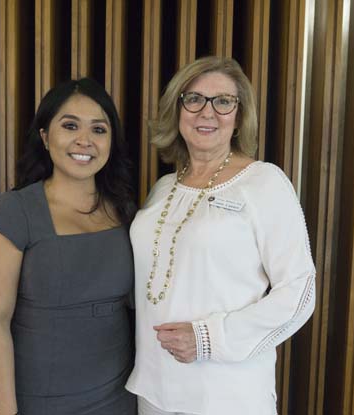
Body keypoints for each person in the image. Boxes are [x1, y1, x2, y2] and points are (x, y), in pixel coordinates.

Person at [126, 56, 316, 415]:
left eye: (223, 101)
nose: (206, 112)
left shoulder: (264, 182)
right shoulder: (163, 188)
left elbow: (301, 291)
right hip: (154, 391)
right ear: (177, 109)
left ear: (239, 115)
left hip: (226, 395)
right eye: (194, 98)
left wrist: (208, 338)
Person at [0, 78, 137, 415]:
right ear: (45, 137)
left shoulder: (125, 211)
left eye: (99, 129)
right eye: (70, 126)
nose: (85, 140)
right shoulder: (16, 212)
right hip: (42, 401)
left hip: (119, 396)